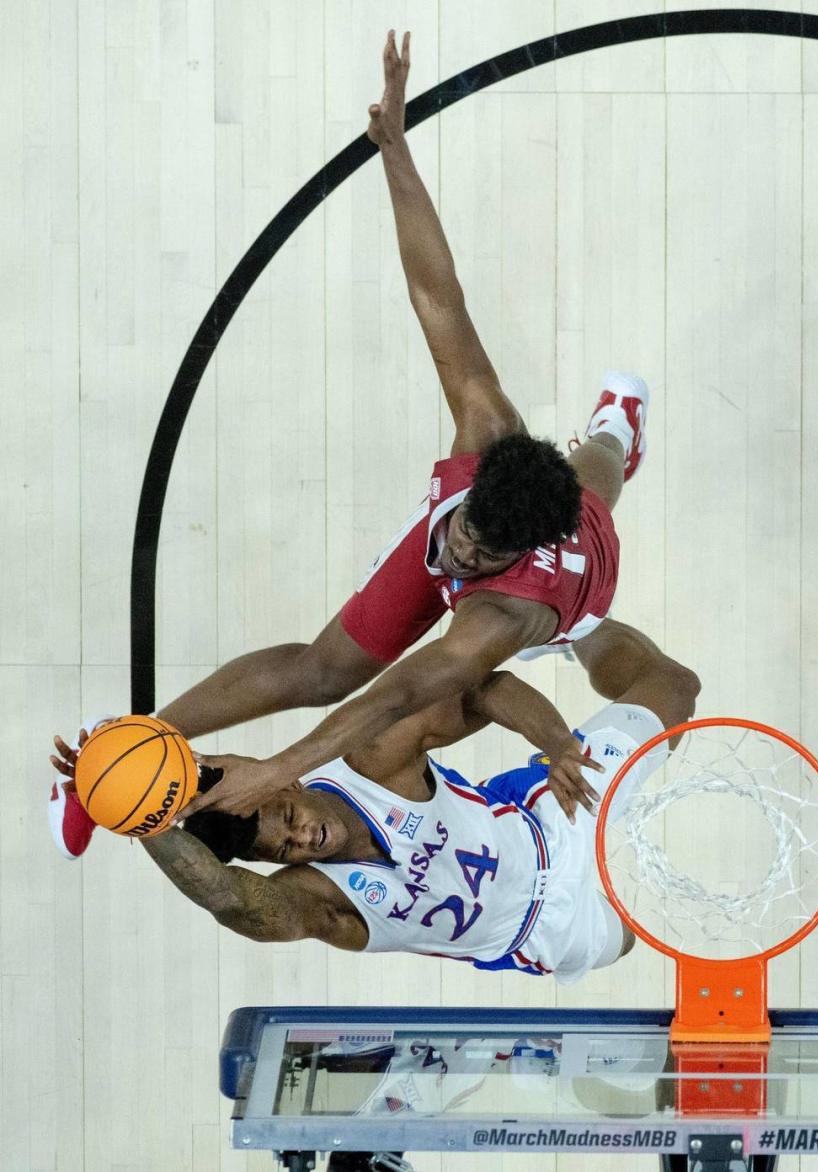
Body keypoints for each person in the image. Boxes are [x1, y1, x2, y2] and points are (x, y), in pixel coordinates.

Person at [49, 29, 651, 857]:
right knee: (324, 664)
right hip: (539, 507)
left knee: (601, 480)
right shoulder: (487, 429)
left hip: (570, 589)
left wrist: (278, 771)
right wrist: (394, 148)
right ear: (475, 485)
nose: (462, 556)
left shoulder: (498, 615)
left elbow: (393, 702)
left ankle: (617, 430)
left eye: (479, 557)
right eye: (467, 534)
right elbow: (436, 291)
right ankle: (125, 739)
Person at [51, 620, 700, 981]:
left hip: (546, 819)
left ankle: (579, 630)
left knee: (674, 684)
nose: (298, 838)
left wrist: (556, 740)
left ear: (286, 784)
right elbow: (231, 899)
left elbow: (484, 687)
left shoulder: (371, 760)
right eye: (279, 849)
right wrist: (139, 815)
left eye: (285, 818)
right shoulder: (323, 900)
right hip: (545, 933)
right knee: (636, 940)